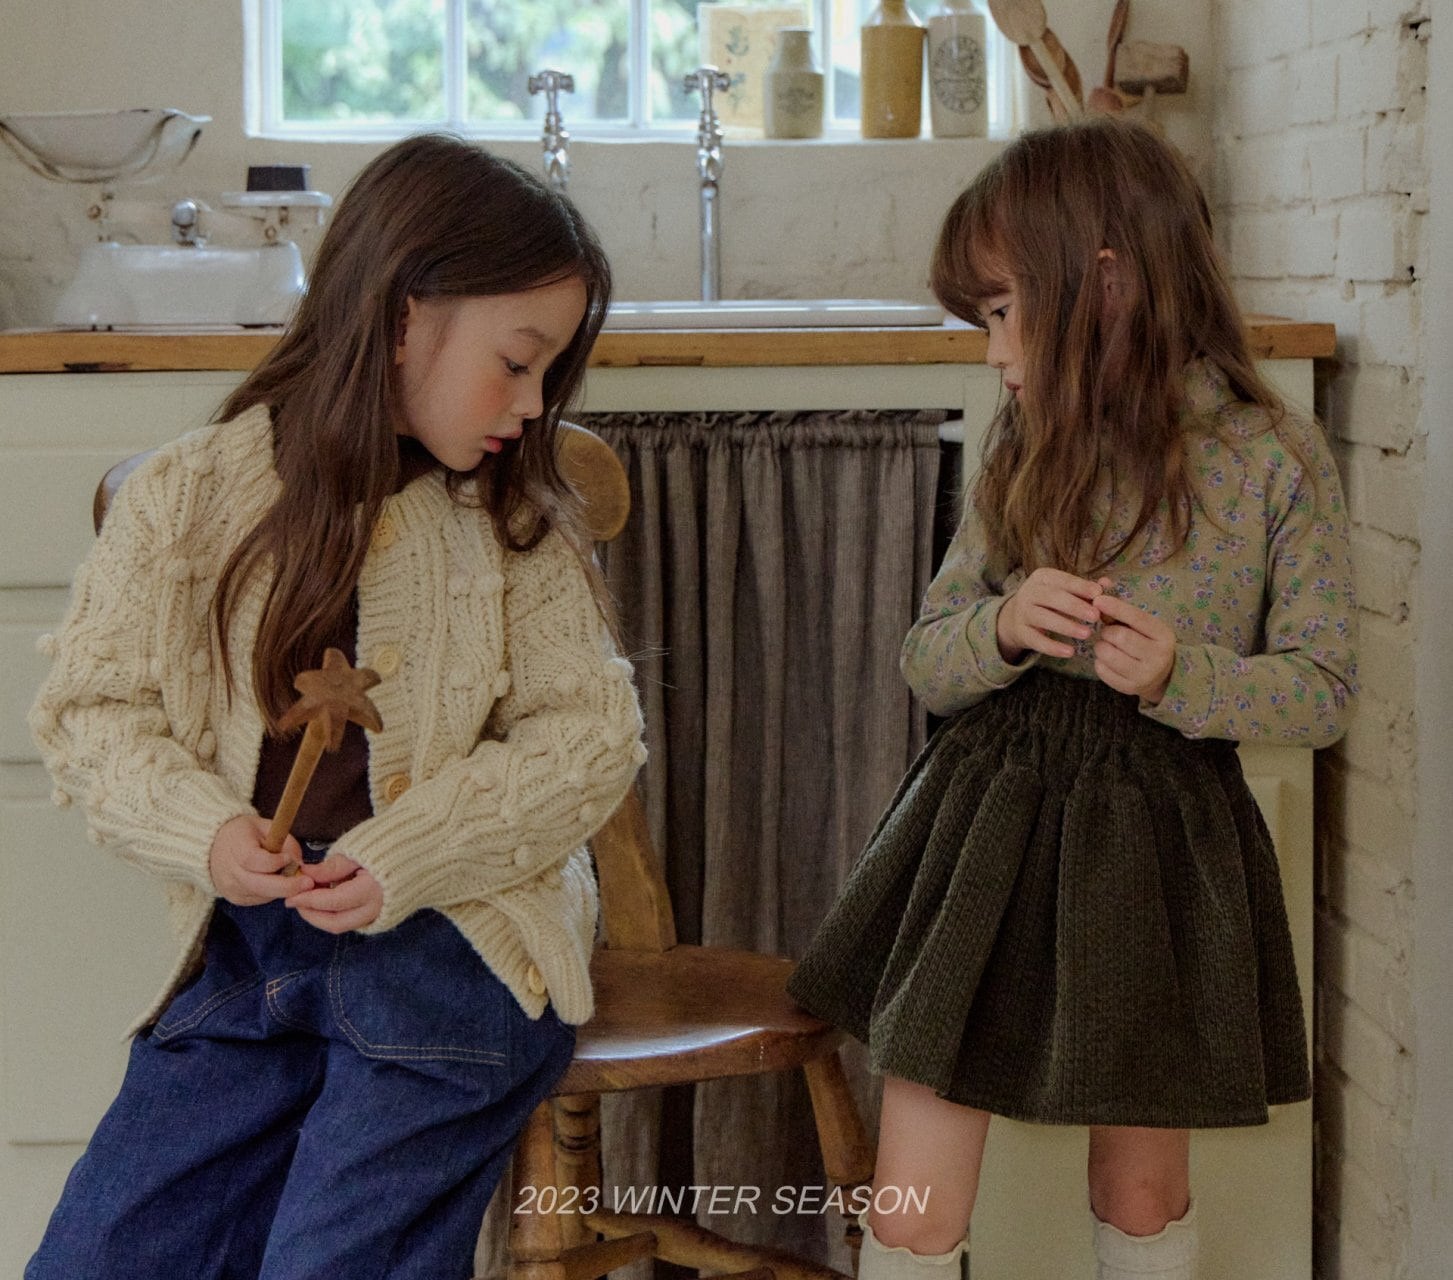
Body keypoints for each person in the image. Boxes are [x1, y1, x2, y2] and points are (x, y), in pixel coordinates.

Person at [26, 133, 644, 1280]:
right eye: (517, 363)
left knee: (330, 1258)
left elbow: (589, 737)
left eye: (548, 373)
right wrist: (207, 832)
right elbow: (92, 713)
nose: (532, 403)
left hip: (458, 944)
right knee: (103, 1253)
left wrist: (410, 849)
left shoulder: (514, 522)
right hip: (245, 955)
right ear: (404, 317)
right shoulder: (186, 497)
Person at [787, 117, 1357, 1280]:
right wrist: (1003, 623)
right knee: (914, 1193)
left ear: (1104, 284)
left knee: (1141, 1190)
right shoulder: (1026, 441)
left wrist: (1182, 674)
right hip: (984, 827)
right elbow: (927, 658)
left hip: (1160, 843)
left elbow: (1322, 690)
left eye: (1004, 311)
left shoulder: (1272, 456)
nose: (996, 354)